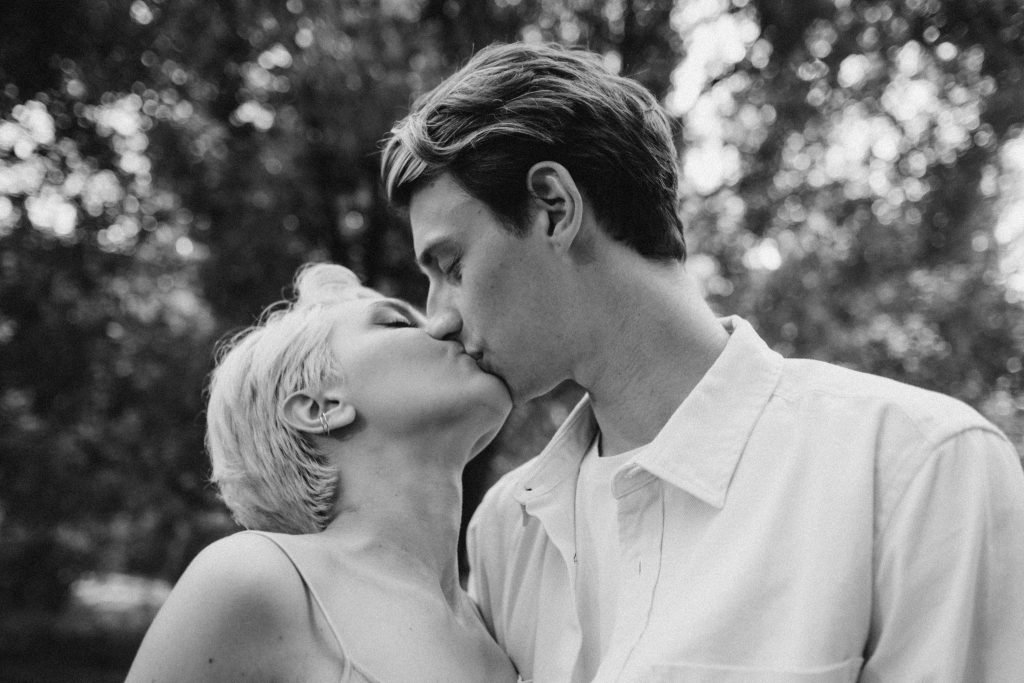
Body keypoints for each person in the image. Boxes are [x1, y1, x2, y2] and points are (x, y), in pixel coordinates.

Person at [380, 42, 1024, 682]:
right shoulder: (506, 532)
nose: (438, 318)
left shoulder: (915, 469)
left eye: (451, 266)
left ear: (554, 207)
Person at [126, 264, 519, 682]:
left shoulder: (505, 624)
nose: (446, 325)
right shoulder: (254, 576)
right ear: (321, 408)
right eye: (397, 321)